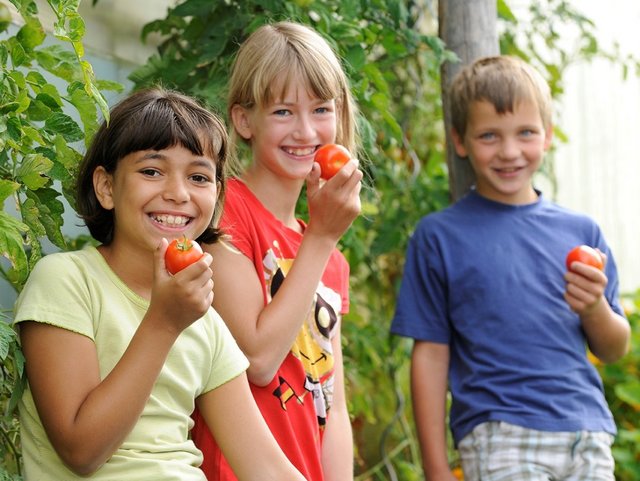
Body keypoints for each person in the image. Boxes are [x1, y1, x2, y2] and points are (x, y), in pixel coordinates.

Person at [13, 87, 307, 481]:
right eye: (152, 171)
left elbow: (267, 468)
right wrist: (164, 323)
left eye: (199, 177)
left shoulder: (205, 322)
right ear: (106, 187)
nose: (178, 193)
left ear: (217, 197)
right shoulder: (67, 281)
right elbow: (81, 451)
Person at [390, 55, 630, 481]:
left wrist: (594, 308)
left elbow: (614, 349)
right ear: (459, 141)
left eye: (525, 133)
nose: (509, 151)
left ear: (548, 135)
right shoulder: (440, 236)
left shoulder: (581, 231)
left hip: (587, 432)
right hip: (500, 434)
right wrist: (436, 468)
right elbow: (429, 355)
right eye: (488, 136)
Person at [190, 21, 363, 481]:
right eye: (284, 112)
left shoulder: (329, 254)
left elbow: (334, 403)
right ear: (244, 120)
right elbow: (259, 361)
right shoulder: (224, 213)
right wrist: (322, 239)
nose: (306, 131)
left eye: (321, 109)